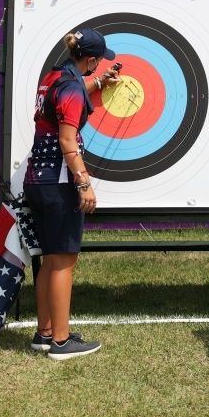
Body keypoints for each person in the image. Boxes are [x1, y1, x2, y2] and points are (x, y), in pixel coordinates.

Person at [24, 27, 120, 360]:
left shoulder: (54, 77)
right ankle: (62, 343)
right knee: (64, 260)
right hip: (60, 183)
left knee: (50, 258)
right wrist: (83, 182)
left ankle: (45, 332)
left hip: (37, 181)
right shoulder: (72, 89)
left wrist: (100, 82)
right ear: (90, 59)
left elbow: (71, 93)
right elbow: (67, 140)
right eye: (98, 62)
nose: (98, 66)